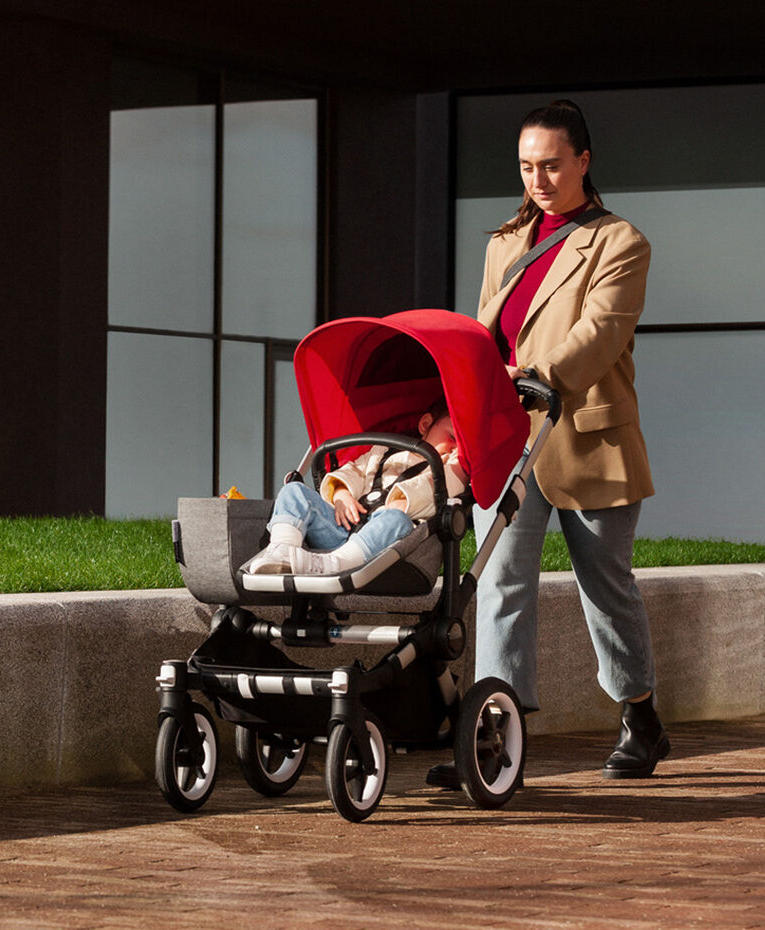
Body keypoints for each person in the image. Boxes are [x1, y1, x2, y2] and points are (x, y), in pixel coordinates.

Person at [429, 99, 668, 786]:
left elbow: (600, 334)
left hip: (588, 438)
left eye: (552, 165)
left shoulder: (621, 243)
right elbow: (484, 335)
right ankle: (493, 738)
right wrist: (464, 401)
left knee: (606, 587)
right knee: (499, 583)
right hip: (509, 439)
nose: (539, 178)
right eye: (528, 166)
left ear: (584, 162)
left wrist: (532, 378)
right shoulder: (505, 242)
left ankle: (641, 715)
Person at [246, 400, 466, 575]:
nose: (456, 448)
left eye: (463, 447)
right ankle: (282, 551)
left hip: (383, 545)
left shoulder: (446, 471)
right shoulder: (383, 452)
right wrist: (341, 493)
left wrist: (460, 460)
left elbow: (441, 488)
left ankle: (335, 565)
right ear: (426, 425)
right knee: (293, 491)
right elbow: (353, 471)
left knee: (396, 520)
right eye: (452, 437)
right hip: (343, 526)